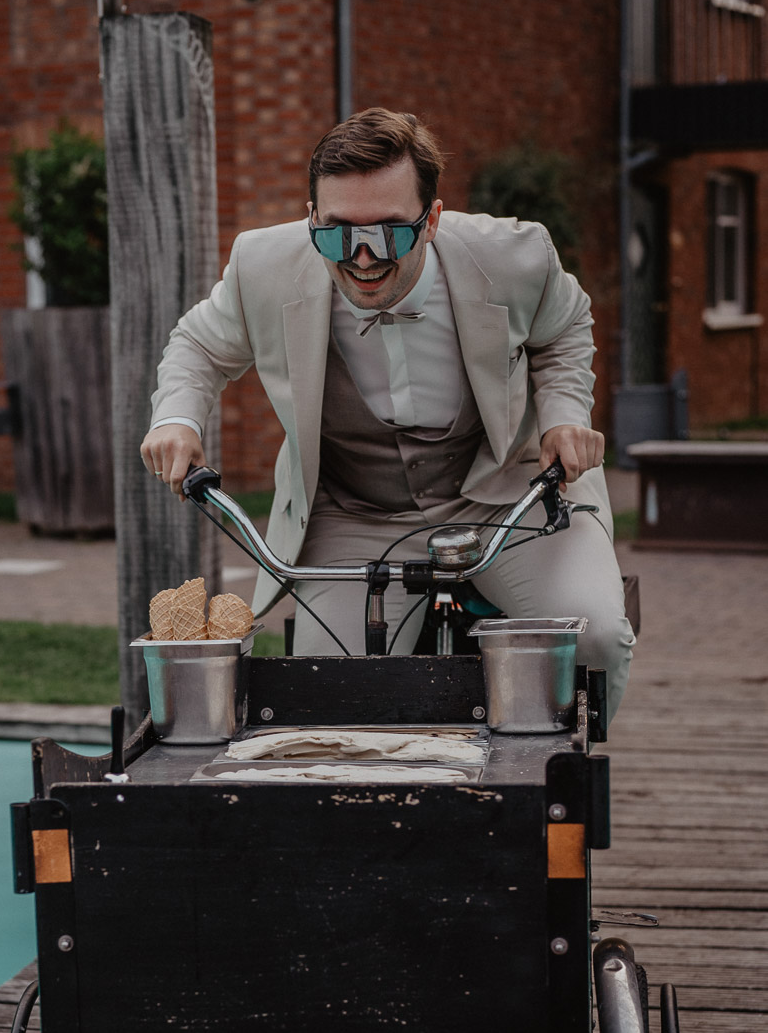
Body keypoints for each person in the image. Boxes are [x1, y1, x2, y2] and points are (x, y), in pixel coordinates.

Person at [141, 108, 634, 714]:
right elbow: (196, 346)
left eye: (390, 231)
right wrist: (177, 420)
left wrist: (563, 414)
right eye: (338, 231)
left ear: (432, 221)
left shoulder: (515, 255)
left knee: (597, 638)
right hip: (355, 511)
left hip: (510, 496)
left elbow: (563, 331)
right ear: (311, 217)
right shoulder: (261, 266)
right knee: (328, 699)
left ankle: (557, 793)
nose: (364, 257)